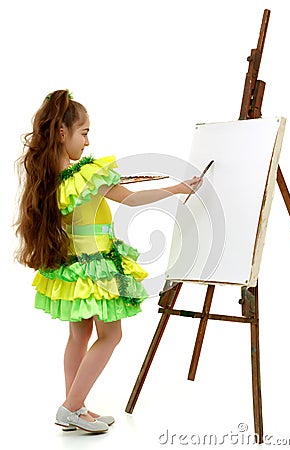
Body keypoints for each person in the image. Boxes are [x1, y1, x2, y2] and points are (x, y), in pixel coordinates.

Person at [15, 89, 203, 434]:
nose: (87, 142)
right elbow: (131, 199)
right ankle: (70, 408)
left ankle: (76, 406)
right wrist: (178, 189)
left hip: (72, 266)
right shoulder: (86, 175)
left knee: (79, 334)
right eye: (84, 132)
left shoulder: (47, 178)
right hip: (97, 264)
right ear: (62, 133)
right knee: (110, 335)